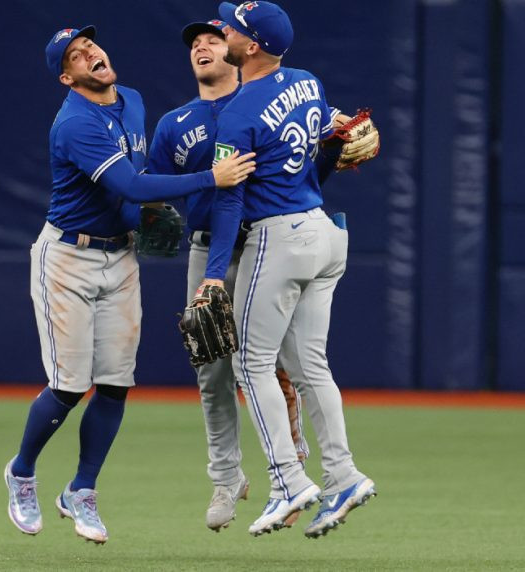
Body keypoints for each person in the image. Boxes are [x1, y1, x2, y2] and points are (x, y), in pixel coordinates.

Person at [4, 25, 256, 545]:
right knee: (70, 385)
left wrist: (147, 220)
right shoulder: (74, 124)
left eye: (91, 44)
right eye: (76, 54)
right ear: (67, 77)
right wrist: (213, 178)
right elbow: (133, 186)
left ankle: (82, 489)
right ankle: (23, 472)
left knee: (117, 383)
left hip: (119, 256)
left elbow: (138, 190)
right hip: (68, 257)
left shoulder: (133, 101)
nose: (90, 52)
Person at [147, 18, 347, 532]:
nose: (204, 45)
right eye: (195, 42)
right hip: (210, 247)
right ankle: (227, 476)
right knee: (212, 370)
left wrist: (334, 149)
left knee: (275, 362)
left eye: (215, 37)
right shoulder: (175, 124)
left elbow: (302, 177)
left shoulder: (260, 102)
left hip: (266, 243)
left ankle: (292, 467)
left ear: (238, 48)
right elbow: (152, 191)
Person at [196, 1, 376, 538]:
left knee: (251, 364)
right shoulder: (309, 82)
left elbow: (230, 199)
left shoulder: (239, 111)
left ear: (250, 46)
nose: (222, 30)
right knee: (309, 365)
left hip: (279, 237)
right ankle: (343, 474)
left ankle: (287, 481)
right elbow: (326, 152)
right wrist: (343, 143)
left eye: (231, 27)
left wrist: (211, 272)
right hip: (323, 230)